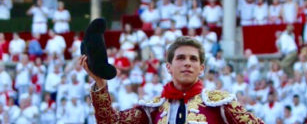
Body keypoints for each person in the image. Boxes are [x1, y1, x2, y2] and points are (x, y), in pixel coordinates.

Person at [80, 36, 264, 123]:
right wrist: (100, 84)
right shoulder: (152, 109)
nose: (187, 63)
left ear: (201, 68)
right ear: (168, 67)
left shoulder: (222, 104)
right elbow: (110, 123)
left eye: (193, 59)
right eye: (181, 58)